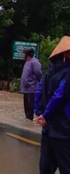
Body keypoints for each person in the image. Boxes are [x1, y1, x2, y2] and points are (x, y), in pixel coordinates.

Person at [34, 36, 70, 174]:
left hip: (48, 129)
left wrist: (40, 113)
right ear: (66, 53)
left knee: (46, 167)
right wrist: (46, 115)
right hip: (63, 129)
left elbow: (38, 91)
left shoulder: (50, 71)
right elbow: (59, 96)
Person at [21, 48, 43, 120]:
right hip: (26, 88)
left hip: (32, 87)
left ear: (28, 54)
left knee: (31, 105)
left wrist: (39, 83)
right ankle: (27, 119)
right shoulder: (27, 62)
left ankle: (30, 119)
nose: (22, 55)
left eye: (24, 53)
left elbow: (38, 73)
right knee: (26, 105)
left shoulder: (34, 62)